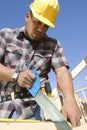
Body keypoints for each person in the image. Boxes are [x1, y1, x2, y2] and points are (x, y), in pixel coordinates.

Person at [0, 0, 81, 127]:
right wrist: (16, 75)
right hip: (3, 111)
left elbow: (62, 72)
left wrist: (70, 100)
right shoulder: (6, 35)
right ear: (28, 16)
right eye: (37, 22)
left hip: (33, 114)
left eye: (46, 25)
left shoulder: (53, 45)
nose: (41, 29)